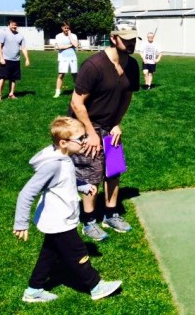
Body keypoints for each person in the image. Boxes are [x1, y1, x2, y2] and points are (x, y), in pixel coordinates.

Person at [13, 116, 122, 302]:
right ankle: (96, 286)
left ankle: (33, 291)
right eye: (81, 139)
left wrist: (83, 186)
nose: (85, 141)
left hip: (61, 217)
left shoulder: (64, 157)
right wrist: (21, 223)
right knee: (78, 252)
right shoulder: (53, 164)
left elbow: (65, 180)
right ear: (63, 143)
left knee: (49, 254)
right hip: (59, 220)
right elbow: (26, 193)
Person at [69, 25, 140, 241]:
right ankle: (89, 221)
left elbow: (127, 96)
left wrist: (117, 122)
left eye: (133, 39)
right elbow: (76, 102)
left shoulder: (132, 65)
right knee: (91, 172)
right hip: (85, 124)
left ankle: (111, 214)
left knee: (114, 170)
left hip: (110, 125)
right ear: (113, 38)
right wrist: (90, 134)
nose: (131, 43)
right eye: (126, 39)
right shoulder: (94, 65)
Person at [0, 19, 30, 101]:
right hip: (5, 60)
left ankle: (11, 94)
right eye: (12, 25)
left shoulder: (20, 36)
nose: (14, 26)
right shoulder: (4, 34)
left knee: (13, 78)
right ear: (9, 25)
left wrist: (27, 59)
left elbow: (24, 48)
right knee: (2, 77)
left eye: (15, 25)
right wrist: (1, 58)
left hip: (16, 60)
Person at [53, 21, 79, 98]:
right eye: (65, 28)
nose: (66, 29)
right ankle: (57, 92)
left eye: (68, 28)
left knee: (74, 75)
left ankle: (77, 91)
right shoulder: (58, 36)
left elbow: (76, 45)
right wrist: (71, 45)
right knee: (61, 75)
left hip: (72, 57)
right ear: (62, 28)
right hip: (63, 58)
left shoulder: (73, 35)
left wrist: (70, 36)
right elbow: (60, 47)